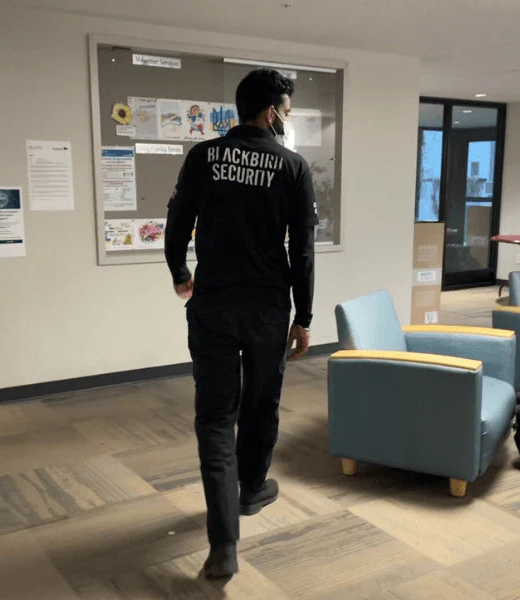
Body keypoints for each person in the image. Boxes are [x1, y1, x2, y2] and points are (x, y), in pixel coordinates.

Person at [165, 69, 318, 579]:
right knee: (260, 402)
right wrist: (305, 315)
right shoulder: (292, 166)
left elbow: (177, 222)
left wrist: (181, 273)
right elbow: (303, 249)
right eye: (287, 113)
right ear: (271, 112)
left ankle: (224, 541)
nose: (287, 121)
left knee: (214, 417)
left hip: (213, 305)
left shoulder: (203, 157)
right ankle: (252, 488)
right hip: (268, 310)